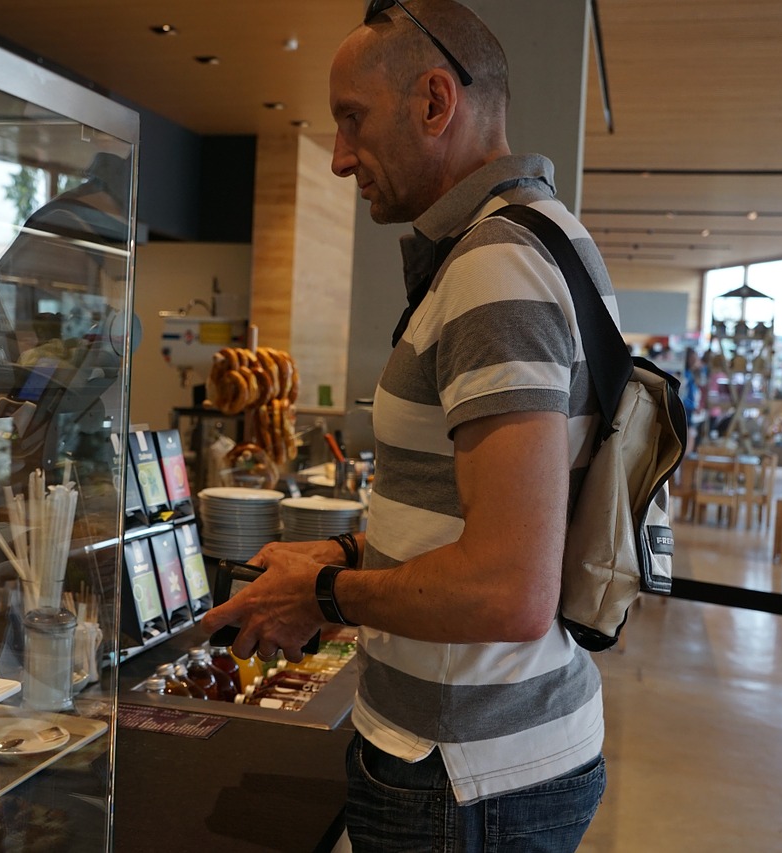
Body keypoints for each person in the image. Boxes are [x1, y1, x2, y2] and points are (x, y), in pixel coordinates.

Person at [201, 3, 608, 849]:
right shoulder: (542, 239)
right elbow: (486, 522)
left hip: (462, 774)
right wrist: (347, 554)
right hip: (486, 763)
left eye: (353, 119)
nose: (342, 156)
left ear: (434, 101)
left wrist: (320, 594)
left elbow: (509, 588)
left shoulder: (496, 266)